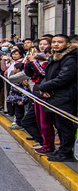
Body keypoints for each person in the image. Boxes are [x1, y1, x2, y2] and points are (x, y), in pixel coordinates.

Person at [33, 34, 77, 163]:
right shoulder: (55, 57)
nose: (56, 44)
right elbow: (49, 75)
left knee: (65, 126)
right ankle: (62, 150)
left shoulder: (70, 59)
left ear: (68, 44)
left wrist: (44, 86)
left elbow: (63, 78)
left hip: (66, 97)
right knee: (59, 125)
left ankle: (66, 152)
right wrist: (45, 88)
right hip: (55, 96)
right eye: (54, 42)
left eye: (60, 42)